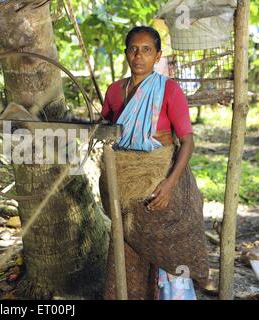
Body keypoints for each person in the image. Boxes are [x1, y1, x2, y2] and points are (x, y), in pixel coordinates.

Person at [99, 26, 209, 300]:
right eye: (133, 49)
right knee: (129, 254)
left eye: (147, 50)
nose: (139, 55)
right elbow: (105, 130)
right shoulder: (114, 91)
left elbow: (187, 141)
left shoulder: (169, 90)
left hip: (163, 180)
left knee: (172, 253)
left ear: (157, 55)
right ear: (126, 53)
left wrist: (169, 185)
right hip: (126, 187)